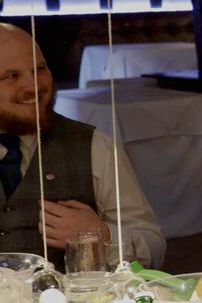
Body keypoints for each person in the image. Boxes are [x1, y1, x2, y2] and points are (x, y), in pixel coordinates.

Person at [0, 23, 164, 264]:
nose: (34, 86)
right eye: (12, 76)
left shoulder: (95, 147)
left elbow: (154, 247)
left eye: (40, 69)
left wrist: (103, 237)